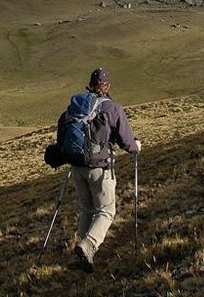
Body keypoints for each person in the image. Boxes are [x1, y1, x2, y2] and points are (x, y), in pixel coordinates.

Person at [56, 67, 141, 273]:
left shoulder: (76, 106)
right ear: (107, 86)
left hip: (77, 166)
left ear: (90, 84)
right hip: (99, 168)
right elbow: (126, 140)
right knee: (106, 211)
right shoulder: (112, 108)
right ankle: (89, 245)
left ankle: (84, 257)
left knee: (87, 209)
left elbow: (62, 126)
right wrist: (136, 146)